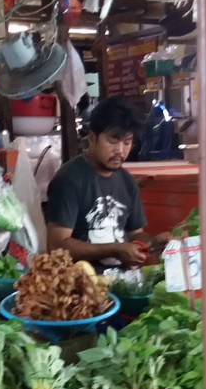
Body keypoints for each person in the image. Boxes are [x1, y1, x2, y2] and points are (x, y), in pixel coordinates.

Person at [45, 96, 168, 269]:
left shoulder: (127, 182)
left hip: (123, 282)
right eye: (112, 140)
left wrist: (154, 241)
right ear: (92, 137)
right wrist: (115, 249)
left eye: (127, 142)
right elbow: (57, 246)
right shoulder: (69, 179)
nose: (120, 150)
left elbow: (135, 235)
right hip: (80, 286)